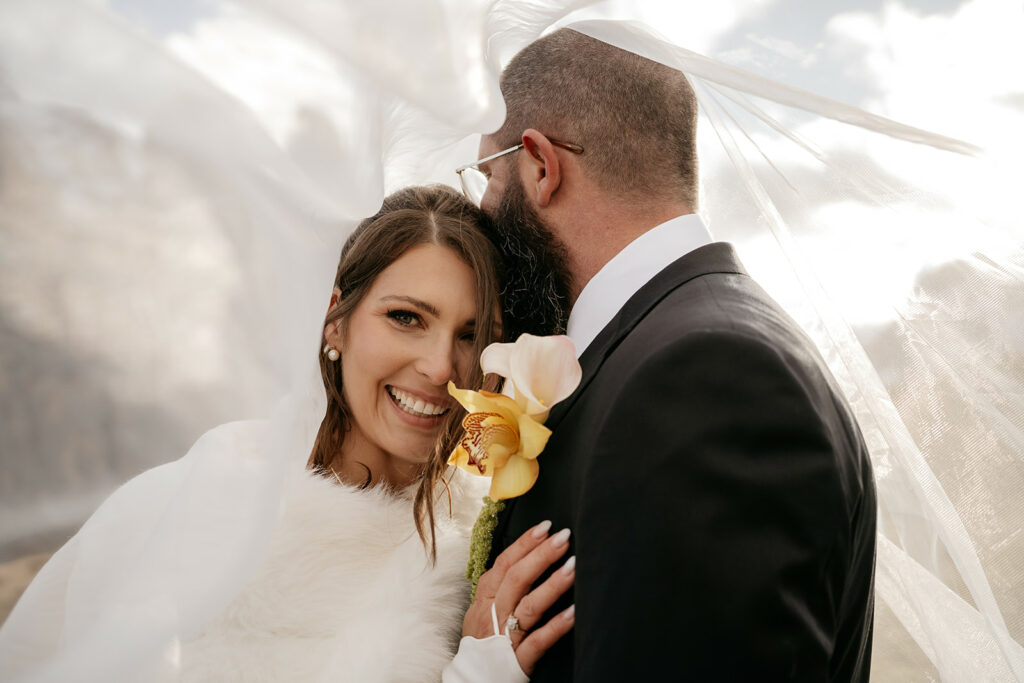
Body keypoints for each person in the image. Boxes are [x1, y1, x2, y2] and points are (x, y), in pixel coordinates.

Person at [0, 185, 573, 682]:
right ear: (334, 319)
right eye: (406, 318)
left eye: (473, 334)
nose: (441, 366)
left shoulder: (488, 543)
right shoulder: (185, 511)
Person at [457, 29, 877, 681]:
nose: (481, 207)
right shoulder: (658, 353)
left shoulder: (712, 379)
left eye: (488, 175)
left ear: (540, 166)